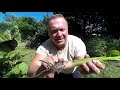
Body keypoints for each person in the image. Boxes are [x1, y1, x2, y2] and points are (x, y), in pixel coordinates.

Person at [27, 14, 105, 78]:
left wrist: (84, 68)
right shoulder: (44, 47)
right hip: (54, 73)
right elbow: (30, 73)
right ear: (49, 33)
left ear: (67, 30)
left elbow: (79, 64)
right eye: (54, 31)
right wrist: (42, 67)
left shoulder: (77, 42)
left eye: (62, 29)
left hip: (72, 72)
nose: (59, 34)